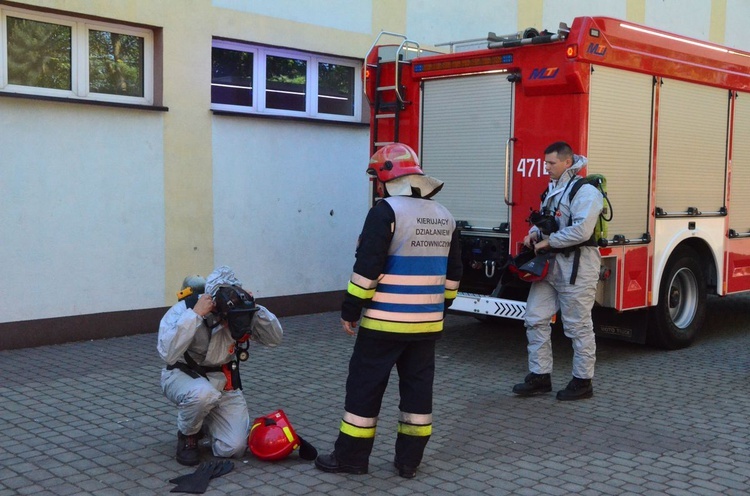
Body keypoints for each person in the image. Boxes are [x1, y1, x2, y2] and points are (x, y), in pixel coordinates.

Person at [315, 143, 463, 478]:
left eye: (376, 180)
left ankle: (351, 459)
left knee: (364, 390)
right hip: (427, 326)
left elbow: (367, 269)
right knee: (417, 393)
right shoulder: (445, 216)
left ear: (384, 179)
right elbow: (454, 275)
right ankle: (409, 463)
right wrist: (439, 308)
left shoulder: (385, 212)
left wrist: (351, 310)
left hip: (384, 324)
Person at [157, 265, 283, 466]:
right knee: (202, 395)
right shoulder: (184, 309)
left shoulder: (240, 311)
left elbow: (274, 339)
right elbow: (168, 353)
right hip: (182, 377)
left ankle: (203, 421)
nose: (226, 323)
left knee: (233, 448)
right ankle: (188, 435)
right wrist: (195, 315)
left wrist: (254, 309)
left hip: (223, 383)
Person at [512, 141, 603, 401]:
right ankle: (540, 376)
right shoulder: (555, 188)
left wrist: (548, 241)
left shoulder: (585, 192)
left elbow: (581, 231)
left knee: (578, 326)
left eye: (551, 163)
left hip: (578, 267)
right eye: (545, 162)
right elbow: (547, 219)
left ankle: (583, 381)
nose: (546, 168)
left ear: (567, 162)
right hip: (551, 266)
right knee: (534, 317)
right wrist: (533, 234)